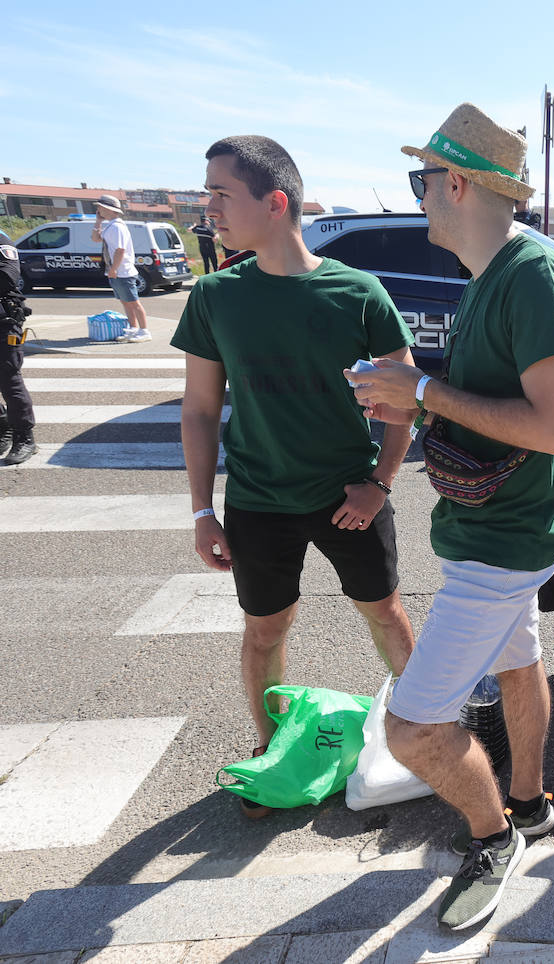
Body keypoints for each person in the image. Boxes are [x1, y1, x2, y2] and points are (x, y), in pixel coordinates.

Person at [348, 102, 554, 932]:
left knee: (413, 728)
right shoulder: (494, 276)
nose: (418, 197)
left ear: (455, 182)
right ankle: (527, 801)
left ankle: (492, 839)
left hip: (505, 542)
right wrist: (414, 394)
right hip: (501, 534)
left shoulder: (531, 277)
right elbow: (498, 405)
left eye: (422, 181)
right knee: (519, 665)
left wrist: (422, 394)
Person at [172, 135, 417, 818]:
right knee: (265, 631)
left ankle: (424, 736)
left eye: (221, 192)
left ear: (275, 203)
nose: (208, 206)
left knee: (387, 615)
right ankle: (271, 750)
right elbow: (198, 410)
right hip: (257, 501)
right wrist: (201, 511)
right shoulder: (216, 296)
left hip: (348, 496)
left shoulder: (358, 293)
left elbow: (407, 401)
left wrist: (381, 484)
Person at [92, 195, 150, 343]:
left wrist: (114, 269)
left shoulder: (117, 227)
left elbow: (120, 250)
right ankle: (133, 328)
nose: (98, 210)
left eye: (99, 207)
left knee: (133, 302)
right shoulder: (111, 226)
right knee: (125, 301)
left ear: (108, 209)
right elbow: (96, 238)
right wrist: (98, 222)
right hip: (118, 271)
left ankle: (144, 331)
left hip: (123, 272)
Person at [0, 237, 36, 465]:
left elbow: (6, 277)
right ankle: (3, 427)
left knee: (9, 379)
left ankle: (25, 437)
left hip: (3, 323)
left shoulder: (2, 243)